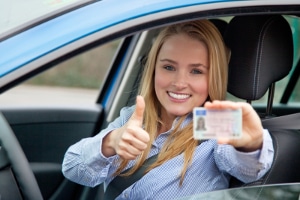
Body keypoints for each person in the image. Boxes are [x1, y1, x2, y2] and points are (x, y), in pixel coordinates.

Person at [62, 19, 274, 199]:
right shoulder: (134, 118)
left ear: (214, 77)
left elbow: (249, 168)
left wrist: (251, 145)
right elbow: (72, 167)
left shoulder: (214, 122)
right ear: (153, 69)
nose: (180, 82)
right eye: (169, 67)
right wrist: (111, 142)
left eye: (196, 71)